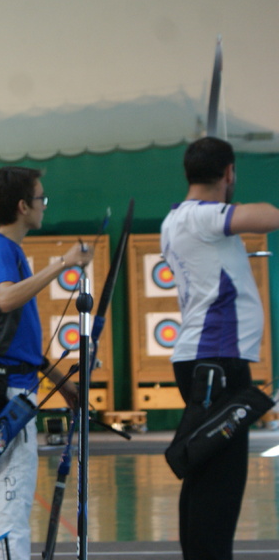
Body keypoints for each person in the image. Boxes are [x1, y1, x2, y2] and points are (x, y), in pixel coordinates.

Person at [161, 136, 279, 560]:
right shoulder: (202, 217)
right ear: (228, 173)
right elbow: (268, 216)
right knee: (221, 484)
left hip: (204, 361)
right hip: (217, 363)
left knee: (204, 469)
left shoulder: (175, 219)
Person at [0, 166, 87, 560]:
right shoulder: (2, 248)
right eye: (40, 198)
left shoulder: (7, 250)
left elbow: (21, 344)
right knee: (11, 500)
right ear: (23, 206)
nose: (44, 205)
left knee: (2, 500)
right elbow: (5, 298)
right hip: (6, 392)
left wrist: (62, 382)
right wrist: (63, 264)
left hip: (9, 385)